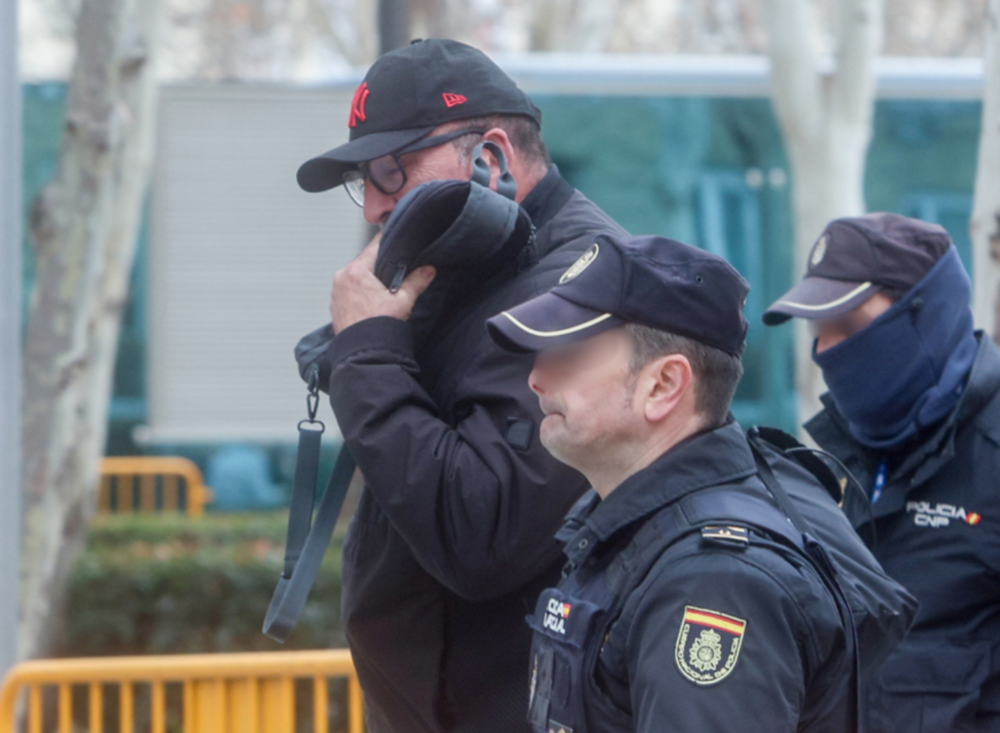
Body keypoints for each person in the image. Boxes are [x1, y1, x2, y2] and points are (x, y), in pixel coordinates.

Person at [293, 39, 627, 733]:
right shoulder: (468, 269)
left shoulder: (583, 285)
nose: (379, 206)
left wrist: (368, 355)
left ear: (492, 156)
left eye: (394, 169)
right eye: (367, 178)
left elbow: (482, 534)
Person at [486, 233, 858, 733]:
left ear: (663, 386)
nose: (537, 377)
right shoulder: (633, 532)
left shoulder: (713, 580)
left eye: (569, 351)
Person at [763, 212, 1000, 732]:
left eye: (846, 325)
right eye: (819, 331)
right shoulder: (824, 462)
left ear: (925, 313)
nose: (827, 352)